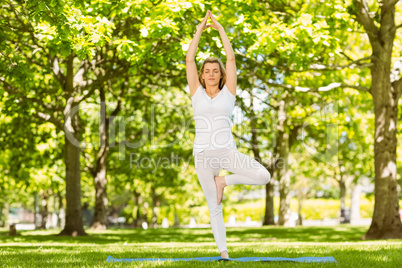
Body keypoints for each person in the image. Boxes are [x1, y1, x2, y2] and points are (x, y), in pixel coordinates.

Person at [185, 10, 271, 259]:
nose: (211, 73)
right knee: (214, 206)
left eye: (215, 70)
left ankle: (225, 182)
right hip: (202, 155)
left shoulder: (229, 93)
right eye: (207, 71)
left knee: (263, 175)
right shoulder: (196, 93)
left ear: (221, 75)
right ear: (202, 75)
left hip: (226, 152)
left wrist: (221, 30)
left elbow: (231, 59)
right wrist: (199, 30)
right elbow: (189, 60)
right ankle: (223, 253)